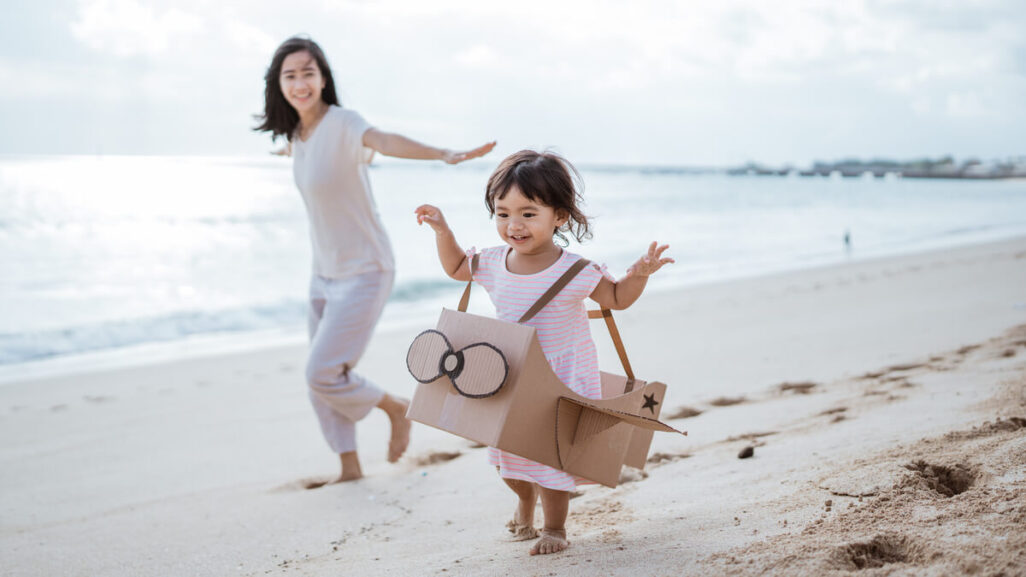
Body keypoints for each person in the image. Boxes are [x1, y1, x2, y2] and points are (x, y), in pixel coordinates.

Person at [254, 36, 496, 485]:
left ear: (323, 78)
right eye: (290, 75)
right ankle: (349, 468)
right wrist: (283, 149)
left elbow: (383, 141)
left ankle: (396, 408)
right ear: (279, 84)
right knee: (323, 378)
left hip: (366, 270)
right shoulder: (297, 135)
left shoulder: (344, 123)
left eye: (309, 72)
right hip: (321, 276)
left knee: (321, 372)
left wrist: (442, 153)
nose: (300, 82)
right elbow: (303, 152)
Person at [414, 150, 673, 555]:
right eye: (502, 213)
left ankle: (555, 528)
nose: (513, 225)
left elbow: (617, 298)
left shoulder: (575, 271)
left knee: (552, 462)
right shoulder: (494, 261)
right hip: (510, 376)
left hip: (561, 379)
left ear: (560, 217)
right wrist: (442, 230)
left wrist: (637, 274)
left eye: (528, 213)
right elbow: (456, 268)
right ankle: (523, 499)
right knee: (504, 459)